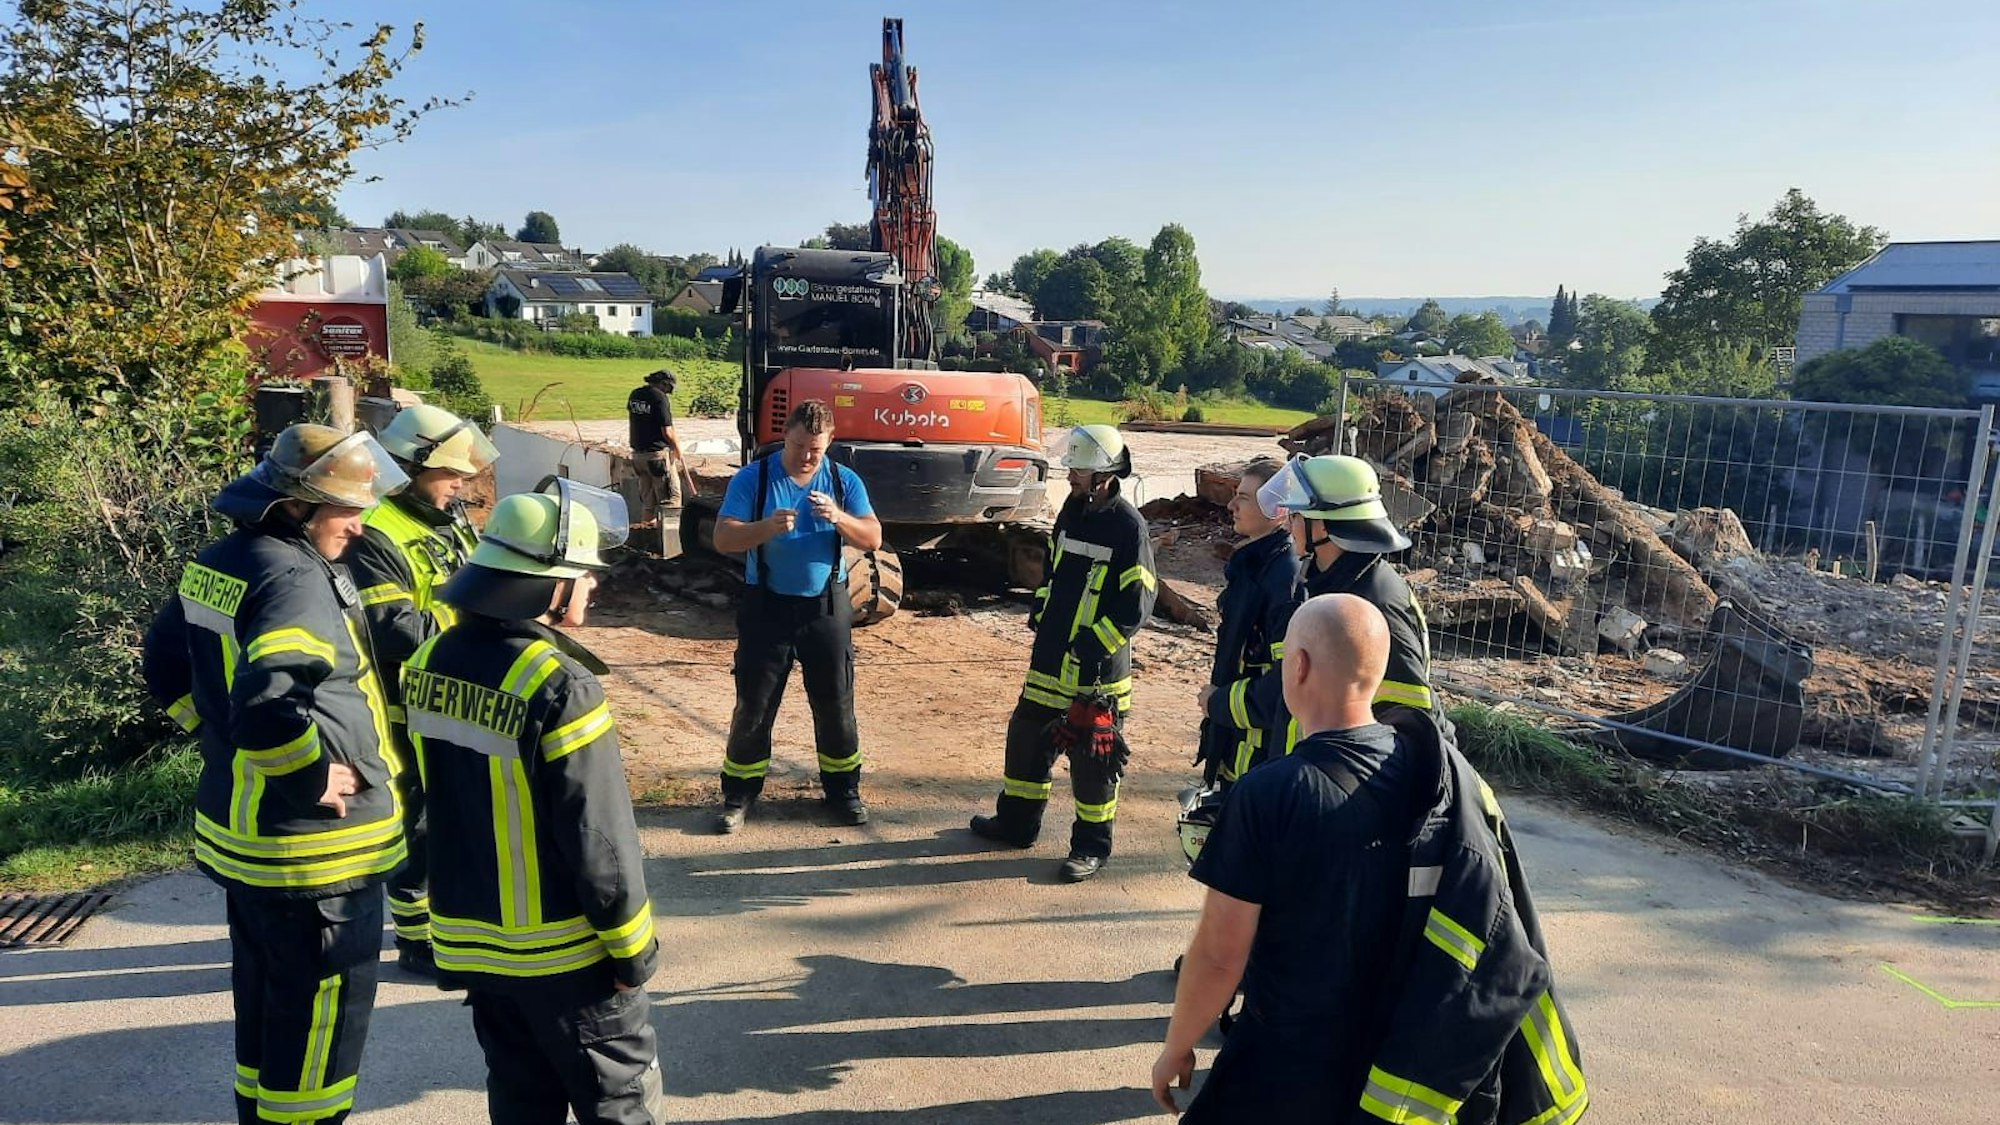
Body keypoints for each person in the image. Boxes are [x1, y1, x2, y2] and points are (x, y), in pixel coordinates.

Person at [1152, 594, 1588, 1123]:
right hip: (1396, 1066)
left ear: (1299, 666)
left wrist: (1178, 1043)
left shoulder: (1268, 794)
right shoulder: (1442, 777)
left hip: (1289, 1066)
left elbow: (1221, 955)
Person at [141, 423, 410, 1125]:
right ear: (295, 506)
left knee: (266, 1014)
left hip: (249, 842)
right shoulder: (293, 579)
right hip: (314, 855)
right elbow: (268, 705)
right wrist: (312, 775)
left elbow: (162, 659)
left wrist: (213, 737)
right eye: (347, 510)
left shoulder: (223, 558)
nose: (361, 524)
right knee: (317, 1040)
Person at [403, 479, 665, 1125]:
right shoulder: (559, 685)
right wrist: (633, 951)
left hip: (478, 950)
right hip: (568, 957)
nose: (592, 586)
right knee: (621, 1107)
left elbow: (420, 793)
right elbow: (599, 838)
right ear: (548, 585)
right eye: (583, 573)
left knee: (521, 1106)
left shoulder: (429, 662)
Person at [344, 403, 499, 977]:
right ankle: (416, 941)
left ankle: (454, 925)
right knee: (421, 820)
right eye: (450, 472)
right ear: (410, 466)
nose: (462, 482)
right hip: (404, 700)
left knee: (458, 815)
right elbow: (394, 631)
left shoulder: (444, 516)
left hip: (453, 693)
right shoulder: (376, 531)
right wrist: (484, 628)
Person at [970, 423, 1157, 882]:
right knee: (1026, 742)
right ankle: (1016, 824)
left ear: (1104, 476)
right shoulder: (1073, 510)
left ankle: (1091, 847)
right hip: (1050, 660)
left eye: (1079, 468)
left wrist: (1095, 644)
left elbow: (1139, 602)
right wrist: (1040, 609)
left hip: (1095, 674)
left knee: (1093, 765)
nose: (1070, 474)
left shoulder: (1128, 528)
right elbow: (1053, 570)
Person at [711, 399, 882, 832]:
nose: (807, 456)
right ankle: (739, 795)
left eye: (816, 449)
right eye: (800, 446)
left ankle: (843, 792)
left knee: (836, 704)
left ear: (830, 443)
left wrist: (839, 518)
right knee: (754, 703)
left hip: (825, 607)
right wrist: (765, 528)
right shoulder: (757, 478)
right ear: (784, 436)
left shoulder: (844, 481)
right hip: (766, 606)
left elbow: (874, 538)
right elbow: (723, 538)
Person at [1251, 453, 1433, 762]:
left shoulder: (1373, 601)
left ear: (1321, 526)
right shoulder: (1335, 581)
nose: (1288, 524)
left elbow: (1415, 718)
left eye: (1296, 515)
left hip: (1337, 785)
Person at [1195, 459, 1301, 789]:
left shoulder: (1284, 576)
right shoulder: (1256, 564)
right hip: (1236, 736)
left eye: (1243, 497)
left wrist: (1220, 702)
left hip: (1257, 750)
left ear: (1278, 509)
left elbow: (1281, 683)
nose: (1231, 505)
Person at [626, 368, 696, 530]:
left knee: (648, 502)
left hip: (638, 457)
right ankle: (669, 543)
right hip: (656, 457)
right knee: (671, 500)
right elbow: (667, 431)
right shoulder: (659, 397)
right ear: (664, 384)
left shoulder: (635, 394)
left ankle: (647, 535)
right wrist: (677, 449)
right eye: (669, 388)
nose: (670, 392)